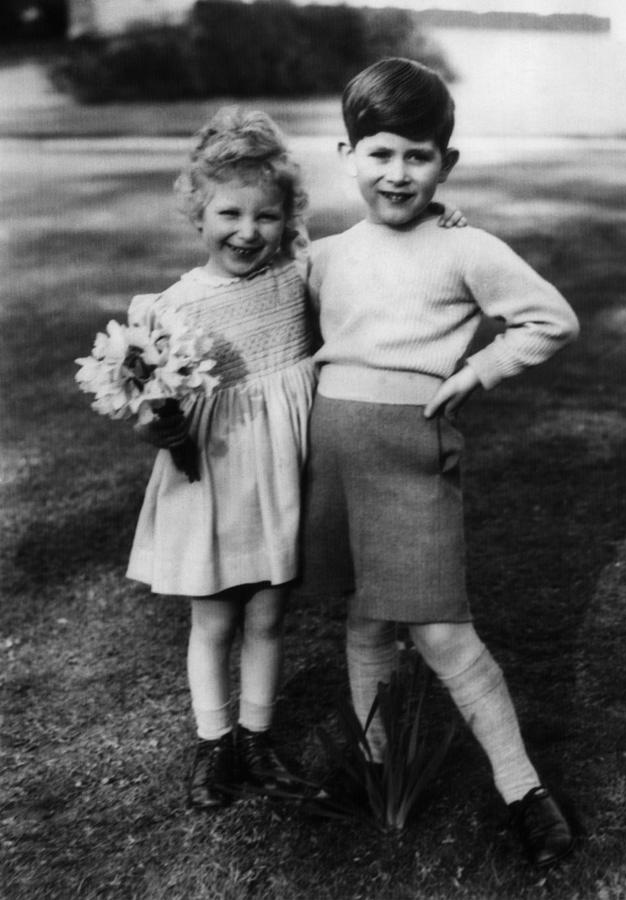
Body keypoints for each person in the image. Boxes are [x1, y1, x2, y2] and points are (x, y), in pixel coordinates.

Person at [125, 105, 465, 811]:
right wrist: (152, 428)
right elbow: (145, 408)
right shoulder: (168, 308)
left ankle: (256, 735)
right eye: (229, 214)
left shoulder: (298, 276)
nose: (248, 232)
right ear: (198, 212)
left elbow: (379, 250)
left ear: (288, 219)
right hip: (211, 480)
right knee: (215, 620)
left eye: (267, 217)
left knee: (268, 617)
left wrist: (443, 218)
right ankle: (214, 744)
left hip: (282, 475)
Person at [302, 58, 580, 867]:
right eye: (379, 153)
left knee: (442, 629)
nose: (397, 173)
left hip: (409, 458)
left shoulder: (466, 247)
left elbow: (549, 319)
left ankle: (521, 788)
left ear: (445, 164)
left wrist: (475, 370)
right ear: (346, 153)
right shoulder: (323, 253)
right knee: (364, 618)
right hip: (333, 457)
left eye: (417, 156)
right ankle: (374, 762)